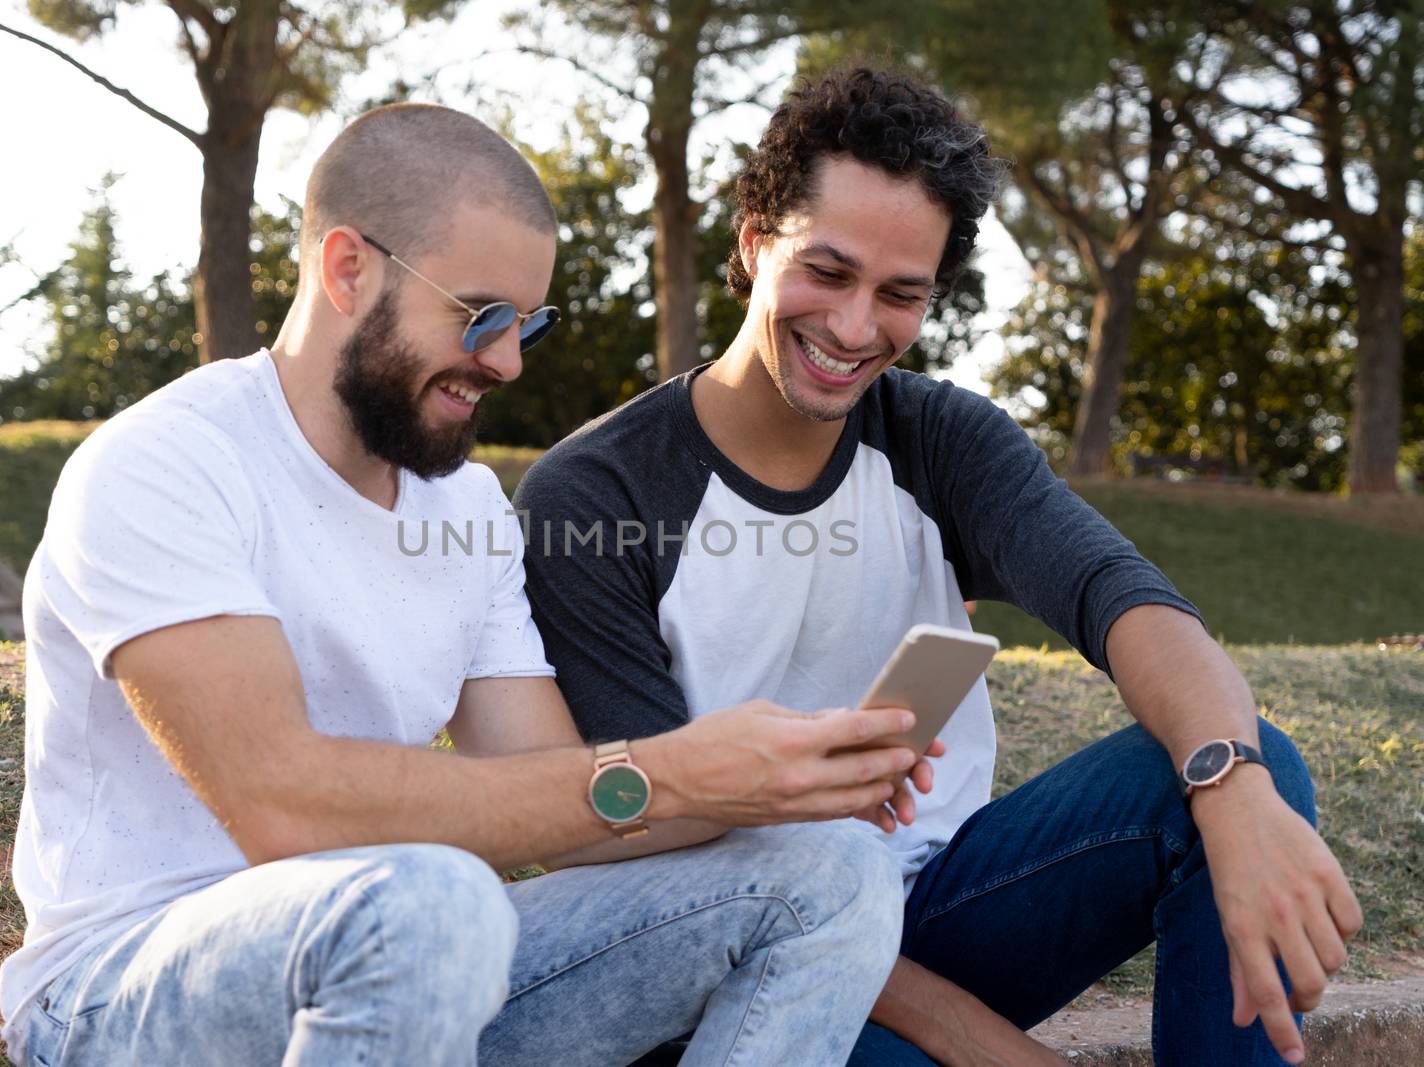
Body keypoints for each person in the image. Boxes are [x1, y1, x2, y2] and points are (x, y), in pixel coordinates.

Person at [0, 102, 937, 1067]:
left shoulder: (470, 507)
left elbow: (570, 816)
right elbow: (281, 805)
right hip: (120, 994)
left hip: (414, 958)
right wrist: (676, 771)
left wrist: (771, 781)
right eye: (481, 315)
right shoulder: (166, 464)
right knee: (432, 899)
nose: (508, 360)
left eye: (527, 322)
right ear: (348, 267)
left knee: (837, 867)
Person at [514, 68, 1363, 1067]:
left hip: (934, 909)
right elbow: (661, 856)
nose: (852, 326)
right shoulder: (595, 497)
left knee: (1240, 762)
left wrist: (1235, 786)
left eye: (899, 294)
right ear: (752, 242)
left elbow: (1121, 597)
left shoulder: (939, 440)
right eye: (824, 272)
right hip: (728, 963)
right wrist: (977, 1038)